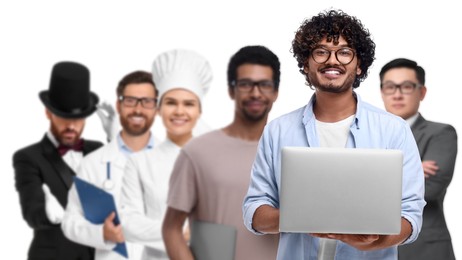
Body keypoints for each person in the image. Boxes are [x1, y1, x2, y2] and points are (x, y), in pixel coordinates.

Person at [242, 9, 426, 260]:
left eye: (344, 52)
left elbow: (411, 215)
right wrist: (302, 219)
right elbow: (255, 210)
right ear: (306, 64)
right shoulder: (278, 130)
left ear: (359, 65)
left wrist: (374, 242)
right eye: (321, 52)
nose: (332, 60)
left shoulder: (394, 130)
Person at [162, 45, 280, 260]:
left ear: (275, 91)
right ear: (231, 90)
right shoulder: (197, 151)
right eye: (246, 84)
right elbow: (171, 228)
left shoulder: (289, 152)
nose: (255, 93)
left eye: (264, 84)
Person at [120, 49, 212, 259]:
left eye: (188, 104)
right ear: (159, 109)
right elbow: (128, 223)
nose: (179, 111)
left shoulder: (215, 160)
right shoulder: (140, 162)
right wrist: (181, 232)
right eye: (171, 103)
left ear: (199, 111)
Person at [61, 70, 158, 260]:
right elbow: (70, 222)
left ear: (157, 107)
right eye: (130, 100)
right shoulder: (93, 163)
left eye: (147, 101)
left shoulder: (177, 161)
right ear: (119, 105)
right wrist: (101, 234)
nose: (138, 109)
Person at [13, 61, 104, 260]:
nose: (71, 125)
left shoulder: (99, 151)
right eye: (63, 116)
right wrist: (47, 215)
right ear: (48, 113)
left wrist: (119, 143)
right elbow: (31, 212)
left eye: (79, 117)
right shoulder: (28, 157)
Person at [379, 58, 457, 260]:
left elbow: (430, 190)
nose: (397, 94)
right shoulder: (369, 135)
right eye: (390, 87)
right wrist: (411, 170)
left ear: (421, 92)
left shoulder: (441, 133)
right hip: (374, 247)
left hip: (425, 249)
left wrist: (376, 174)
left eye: (406, 87)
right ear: (382, 92)